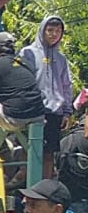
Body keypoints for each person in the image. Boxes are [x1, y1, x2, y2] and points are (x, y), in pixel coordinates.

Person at [21, 15, 76, 169]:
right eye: (50, 30)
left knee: (49, 152)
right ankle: (24, 183)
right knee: (27, 148)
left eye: (58, 31)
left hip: (54, 112)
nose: (54, 34)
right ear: (42, 31)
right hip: (32, 110)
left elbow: (66, 85)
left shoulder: (61, 58)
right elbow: (20, 81)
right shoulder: (28, 53)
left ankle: (45, 186)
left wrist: (66, 112)